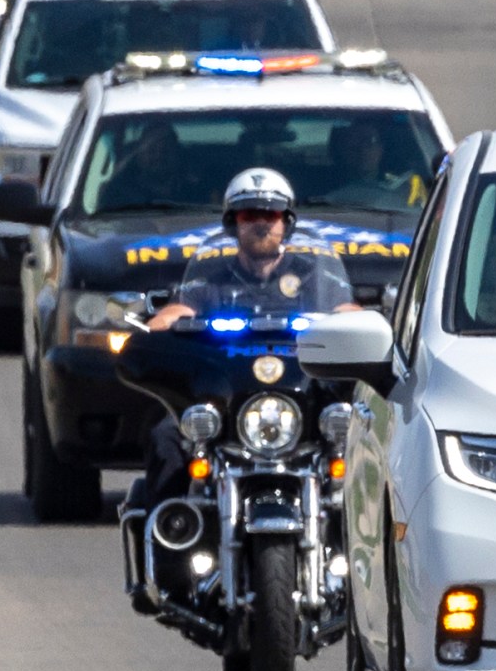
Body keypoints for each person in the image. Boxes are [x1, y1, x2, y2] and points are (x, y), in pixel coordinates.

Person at [125, 169, 357, 517]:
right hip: (226, 399)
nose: (262, 224)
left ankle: (353, 532)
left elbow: (346, 309)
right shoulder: (210, 278)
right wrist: (158, 328)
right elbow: (177, 310)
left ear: (286, 223)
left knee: (354, 430)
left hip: (301, 396)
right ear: (234, 224)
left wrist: (366, 325)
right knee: (167, 437)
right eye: (250, 215)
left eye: (271, 215)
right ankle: (173, 534)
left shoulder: (314, 275)